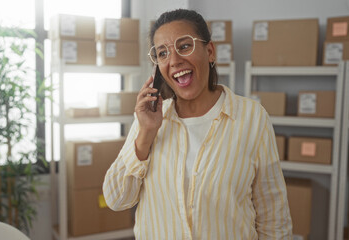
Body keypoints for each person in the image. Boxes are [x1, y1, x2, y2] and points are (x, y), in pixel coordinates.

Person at [102, 9, 292, 239]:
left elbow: (274, 216)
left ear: (210, 51)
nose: (173, 61)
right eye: (162, 53)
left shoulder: (252, 118)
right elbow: (116, 199)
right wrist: (146, 133)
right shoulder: (149, 122)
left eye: (184, 46)